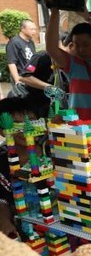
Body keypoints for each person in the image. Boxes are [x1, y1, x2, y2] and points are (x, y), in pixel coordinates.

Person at [0, 97, 39, 240]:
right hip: (24, 227)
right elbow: (2, 200)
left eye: (31, 120)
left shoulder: (52, 150)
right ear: (3, 131)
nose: (25, 129)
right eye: (16, 124)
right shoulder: (2, 161)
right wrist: (4, 221)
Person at [6, 19, 37, 86]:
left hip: (30, 77)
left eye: (35, 29)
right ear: (23, 29)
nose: (34, 31)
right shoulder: (14, 42)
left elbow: (31, 60)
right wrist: (17, 81)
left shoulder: (31, 42)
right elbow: (11, 63)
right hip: (21, 78)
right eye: (31, 29)